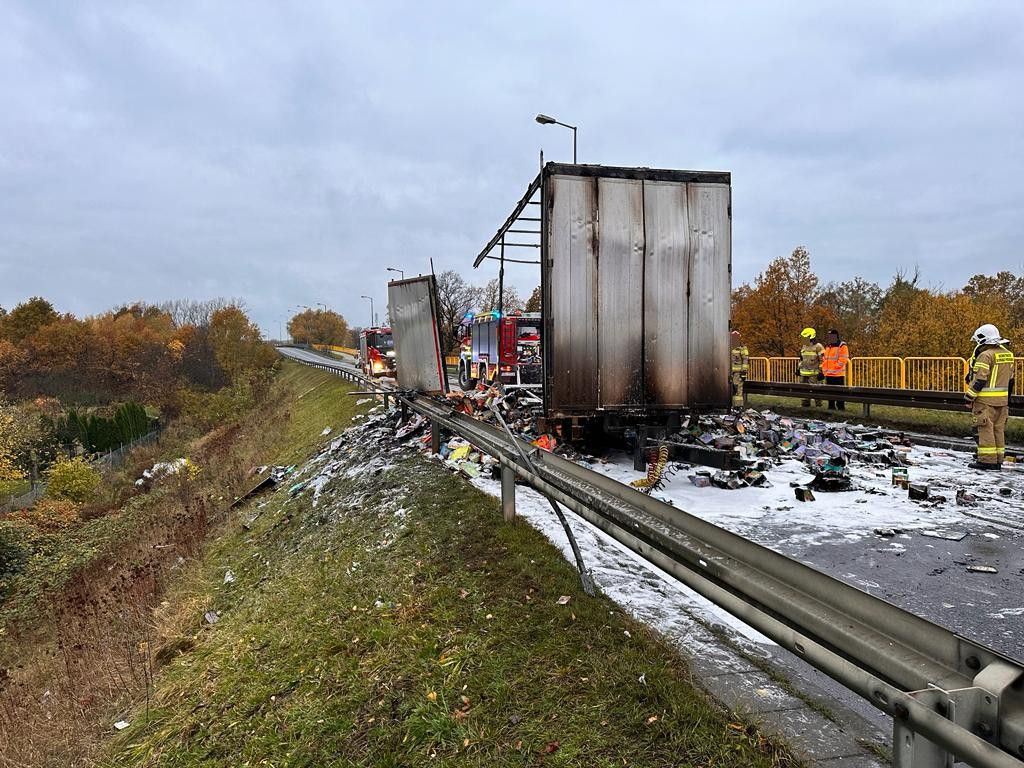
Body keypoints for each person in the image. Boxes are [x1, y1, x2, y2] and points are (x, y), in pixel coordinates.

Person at [965, 324, 1015, 470]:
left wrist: (969, 397)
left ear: (982, 339)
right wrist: (1007, 399)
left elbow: (980, 379)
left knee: (985, 429)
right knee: (998, 430)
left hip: (985, 401)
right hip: (1002, 401)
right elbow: (1011, 380)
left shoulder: (985, 355)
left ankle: (987, 461)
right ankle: (998, 459)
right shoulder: (1007, 354)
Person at [822, 329, 851, 410]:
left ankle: (841, 407)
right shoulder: (828, 345)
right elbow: (825, 359)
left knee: (839, 392)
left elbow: (843, 359)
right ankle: (831, 406)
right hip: (829, 374)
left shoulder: (842, 345)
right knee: (830, 392)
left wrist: (834, 368)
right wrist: (824, 371)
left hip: (838, 374)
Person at [798, 327, 824, 407]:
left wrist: (821, 372)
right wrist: (798, 369)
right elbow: (802, 359)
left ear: (811, 337)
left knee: (816, 390)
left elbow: (823, 360)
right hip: (803, 373)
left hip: (814, 373)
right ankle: (805, 404)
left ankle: (818, 405)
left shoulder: (818, 346)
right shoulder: (804, 346)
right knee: (804, 390)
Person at [730, 330, 749, 408]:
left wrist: (744, 372)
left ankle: (738, 407)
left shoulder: (742, 348)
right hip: (730, 373)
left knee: (738, 390)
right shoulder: (729, 347)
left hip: (738, 373)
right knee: (732, 389)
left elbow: (746, 360)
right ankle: (732, 406)